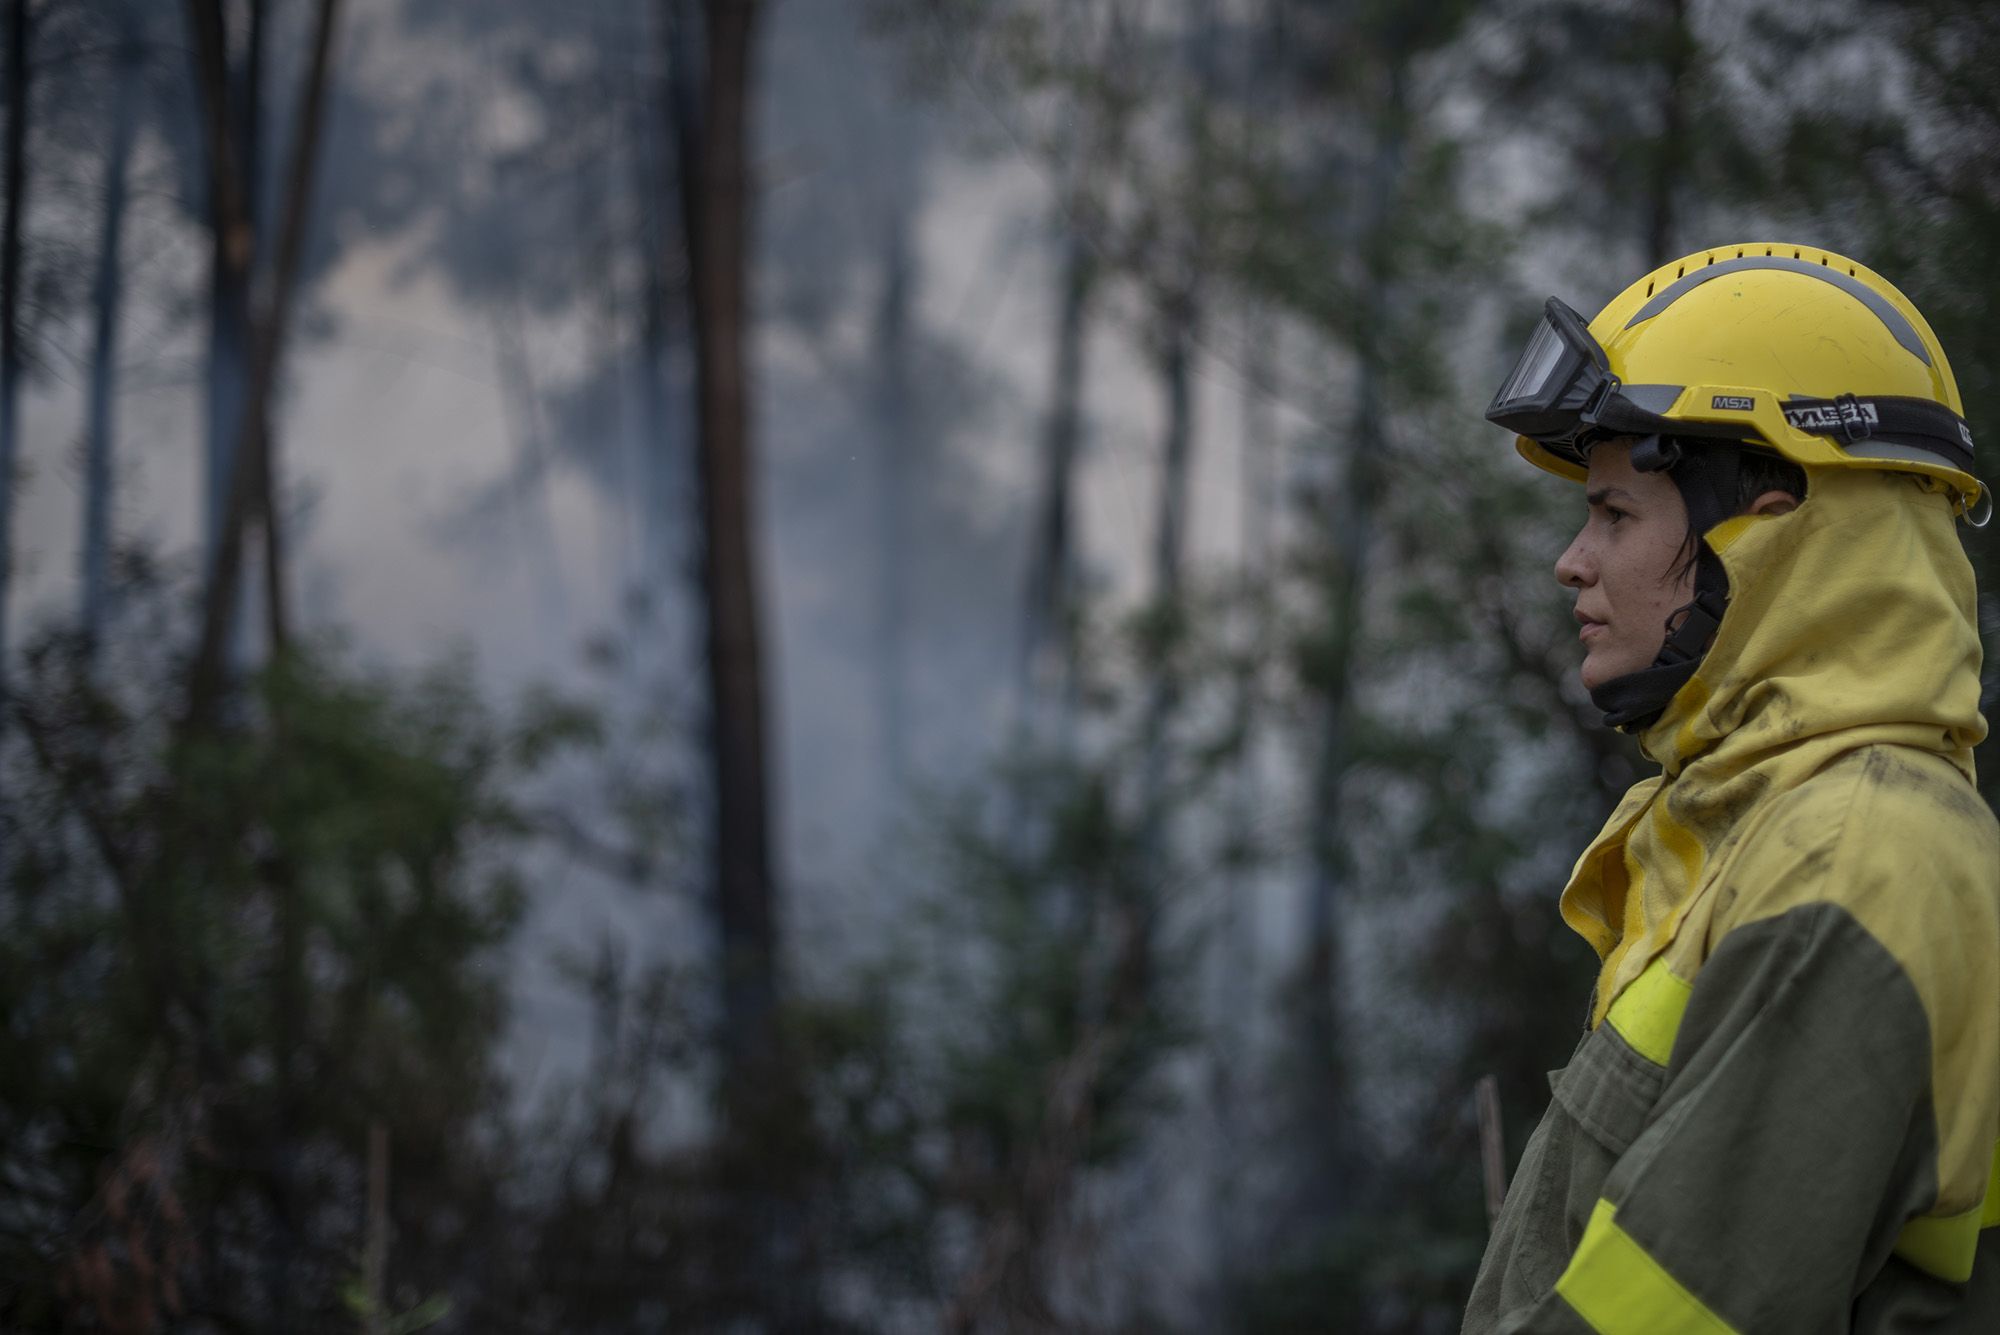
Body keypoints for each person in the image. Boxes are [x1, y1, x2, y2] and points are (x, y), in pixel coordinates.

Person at [1462, 244, 2000, 1334]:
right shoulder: (1760, 827)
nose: (1572, 562)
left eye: (1614, 515)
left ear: (1764, 528)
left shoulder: (1854, 856)